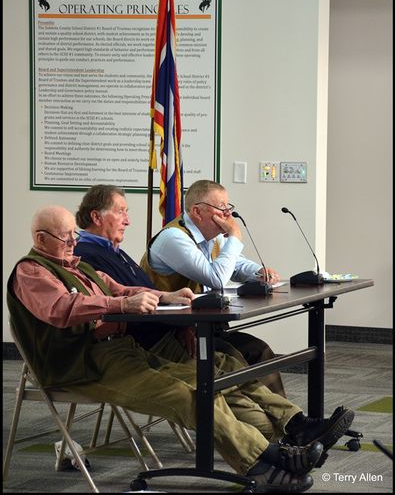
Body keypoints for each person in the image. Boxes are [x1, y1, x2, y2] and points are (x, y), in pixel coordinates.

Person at [8, 205, 355, 493]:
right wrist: (120, 306)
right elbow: (62, 309)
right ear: (40, 239)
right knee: (186, 394)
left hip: (122, 351)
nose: (73, 241)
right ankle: (262, 464)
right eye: (65, 237)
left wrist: (165, 297)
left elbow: (122, 289)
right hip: (81, 366)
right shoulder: (31, 272)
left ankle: (285, 441)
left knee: (209, 379)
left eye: (74, 235)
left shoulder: (81, 266)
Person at [75, 184, 286, 397]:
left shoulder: (114, 251)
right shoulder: (171, 238)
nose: (227, 214)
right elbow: (217, 278)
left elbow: (236, 264)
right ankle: (272, 424)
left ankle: (287, 422)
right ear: (197, 211)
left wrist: (259, 272)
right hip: (161, 336)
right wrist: (234, 236)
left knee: (259, 350)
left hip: (187, 326)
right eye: (221, 207)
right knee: (231, 362)